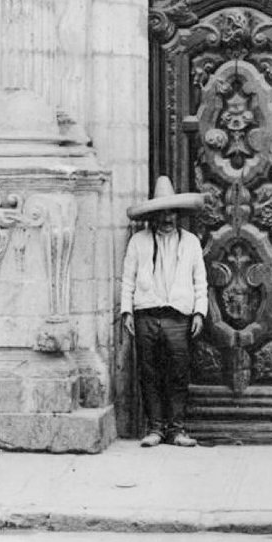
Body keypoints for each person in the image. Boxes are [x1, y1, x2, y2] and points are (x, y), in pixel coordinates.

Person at [120, 176, 208, 447]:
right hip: (147, 315)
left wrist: (199, 313)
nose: (167, 218)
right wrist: (127, 312)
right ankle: (155, 429)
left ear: (178, 214)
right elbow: (128, 278)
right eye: (161, 213)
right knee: (149, 372)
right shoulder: (139, 241)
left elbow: (200, 280)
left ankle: (177, 429)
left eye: (171, 212)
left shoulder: (190, 242)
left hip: (178, 317)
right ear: (153, 216)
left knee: (178, 373)